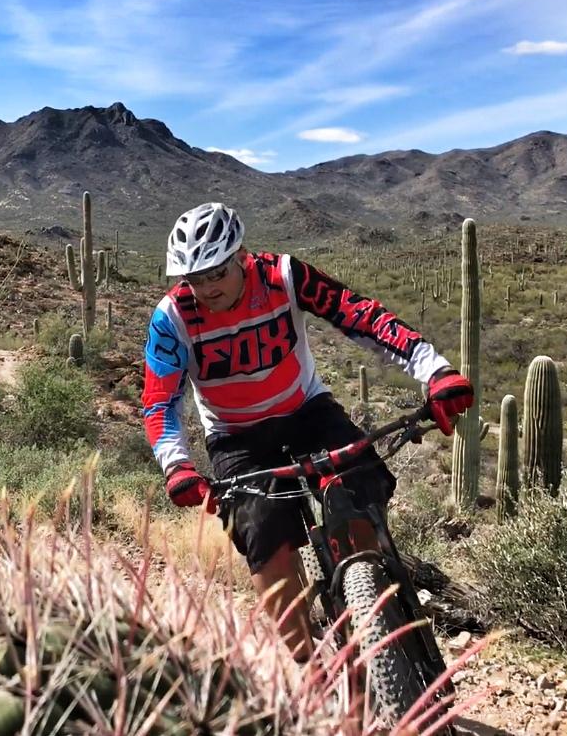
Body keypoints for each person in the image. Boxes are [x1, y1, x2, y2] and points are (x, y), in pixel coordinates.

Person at [140, 202, 473, 663]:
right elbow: (159, 401)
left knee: (361, 482)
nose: (207, 287)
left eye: (216, 272)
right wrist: (177, 466)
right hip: (236, 436)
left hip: (305, 409)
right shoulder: (172, 318)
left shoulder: (282, 276)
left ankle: (373, 600)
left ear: (240, 255)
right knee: (259, 528)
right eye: (194, 278)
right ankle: (306, 659)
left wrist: (433, 371)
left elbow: (359, 315)